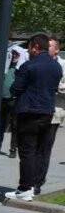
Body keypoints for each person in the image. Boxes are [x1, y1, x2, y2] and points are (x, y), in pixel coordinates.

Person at [5, 34, 64, 201]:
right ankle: (33, 185)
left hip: (28, 111)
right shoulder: (56, 67)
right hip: (46, 112)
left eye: (30, 47)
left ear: (36, 47)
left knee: (27, 152)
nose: (28, 50)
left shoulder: (28, 66)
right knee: (38, 151)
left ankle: (25, 188)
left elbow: (15, 90)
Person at [38, 37, 64, 191]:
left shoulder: (63, 65)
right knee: (32, 148)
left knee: (44, 148)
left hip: (54, 112)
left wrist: (55, 86)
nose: (46, 48)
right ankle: (28, 181)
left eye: (50, 46)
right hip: (36, 110)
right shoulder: (36, 63)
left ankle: (38, 182)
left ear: (57, 49)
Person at [0, 48, 20, 156]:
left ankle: (13, 149)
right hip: (2, 99)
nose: (14, 56)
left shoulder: (20, 68)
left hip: (14, 100)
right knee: (0, 124)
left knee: (15, 126)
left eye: (16, 54)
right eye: (13, 54)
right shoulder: (5, 66)